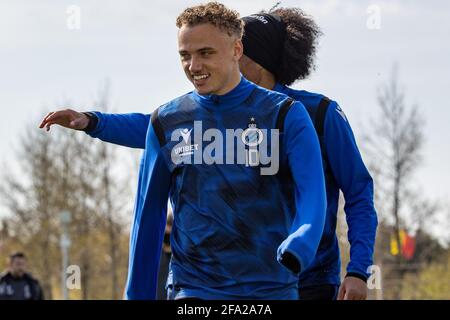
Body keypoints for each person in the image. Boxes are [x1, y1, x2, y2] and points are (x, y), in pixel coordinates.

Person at [39, 2, 326, 300]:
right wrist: (136, 294)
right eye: (184, 55)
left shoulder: (286, 115)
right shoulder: (167, 121)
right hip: (194, 290)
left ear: (236, 50)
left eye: (205, 53)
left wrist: (301, 243)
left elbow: (313, 193)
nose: (194, 66)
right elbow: (147, 216)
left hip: (271, 290)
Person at [239, 8, 378, 300]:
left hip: (312, 283)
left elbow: (358, 192)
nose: (226, 56)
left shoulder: (321, 113)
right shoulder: (222, 115)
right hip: (240, 285)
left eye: (236, 49)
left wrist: (359, 270)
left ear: (259, 60)